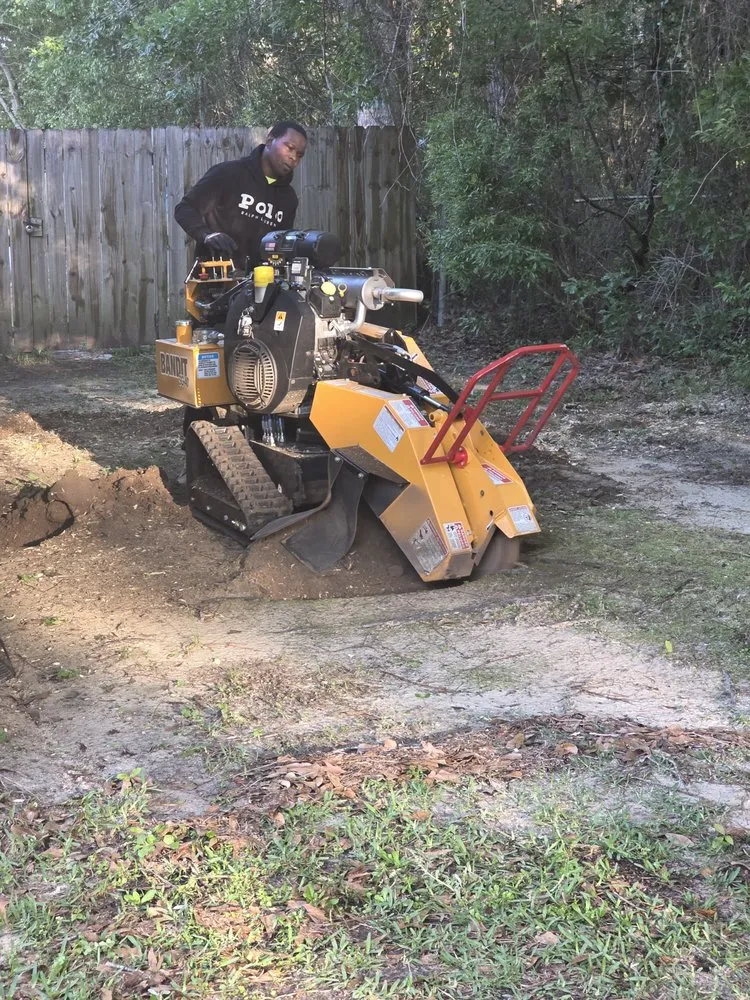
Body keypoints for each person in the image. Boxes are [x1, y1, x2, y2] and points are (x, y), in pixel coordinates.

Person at [174, 120, 307, 270]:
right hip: (215, 279)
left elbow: (281, 246)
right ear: (270, 141)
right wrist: (206, 235)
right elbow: (184, 209)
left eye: (299, 155)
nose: (294, 158)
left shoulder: (289, 198)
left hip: (263, 282)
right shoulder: (228, 174)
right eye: (290, 148)